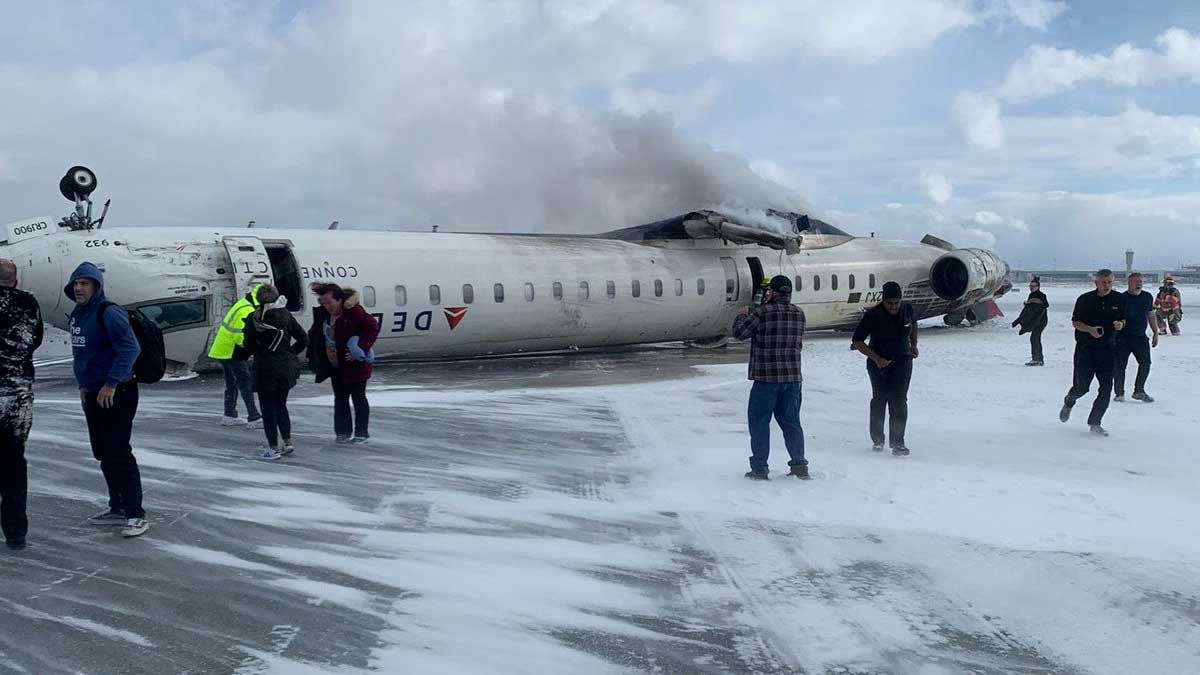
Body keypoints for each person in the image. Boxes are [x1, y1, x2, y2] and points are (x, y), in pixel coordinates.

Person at [66, 262, 148, 537]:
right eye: (76, 284)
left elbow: (130, 348)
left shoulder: (109, 312)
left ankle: (136, 513)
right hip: (92, 391)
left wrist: (111, 384)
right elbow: (83, 356)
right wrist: (84, 386)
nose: (78, 288)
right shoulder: (78, 314)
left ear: (96, 286)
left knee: (118, 451)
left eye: (84, 283)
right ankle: (118, 507)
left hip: (117, 392)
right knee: (102, 451)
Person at [732, 275, 809, 480]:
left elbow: (739, 333)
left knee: (759, 422)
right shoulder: (799, 314)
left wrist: (741, 315)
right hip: (792, 379)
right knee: (791, 423)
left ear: (772, 292)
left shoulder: (762, 313)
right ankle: (799, 465)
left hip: (766, 380)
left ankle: (759, 468)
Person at [0, 260, 43, 550]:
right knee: (14, 463)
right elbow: (35, 339)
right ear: (15, 280)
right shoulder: (28, 303)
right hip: (17, 394)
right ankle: (16, 532)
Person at [851, 281, 918, 456]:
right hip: (878, 364)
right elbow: (857, 341)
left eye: (896, 303)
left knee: (899, 401)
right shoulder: (873, 315)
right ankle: (878, 439)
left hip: (902, 361)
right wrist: (877, 359)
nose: (893, 307)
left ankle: (898, 442)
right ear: (883, 301)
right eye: (889, 303)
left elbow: (913, 324)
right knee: (880, 400)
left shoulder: (907, 309)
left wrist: (914, 345)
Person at [307, 283, 380, 443]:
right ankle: (342, 432)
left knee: (358, 397)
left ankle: (361, 433)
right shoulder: (323, 315)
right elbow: (315, 334)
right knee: (340, 398)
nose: (326, 306)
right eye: (323, 302)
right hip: (335, 365)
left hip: (355, 365)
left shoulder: (354, 313)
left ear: (339, 300)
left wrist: (359, 349)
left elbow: (372, 327)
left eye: (329, 302)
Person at [1059, 269, 1126, 436]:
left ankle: (1095, 423)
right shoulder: (1085, 299)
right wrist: (1089, 329)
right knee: (1082, 387)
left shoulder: (1120, 299)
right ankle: (1070, 400)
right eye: (1103, 282)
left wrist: (1120, 324)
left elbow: (1123, 319)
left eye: (1110, 282)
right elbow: (1075, 322)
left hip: (1109, 350)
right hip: (1085, 350)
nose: (1107, 285)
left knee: (1106, 388)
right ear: (1096, 282)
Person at [243, 286, 308, 460]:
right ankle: (287, 442)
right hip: (286, 367)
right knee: (281, 405)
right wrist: (290, 353)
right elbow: (303, 339)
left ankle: (273, 447)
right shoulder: (286, 316)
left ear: (259, 299)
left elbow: (247, 345)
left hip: (265, 368)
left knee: (268, 408)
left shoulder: (254, 318)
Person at [208, 285, 264, 429]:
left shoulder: (243, 303)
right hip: (233, 351)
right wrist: (253, 348)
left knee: (231, 383)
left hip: (223, 349)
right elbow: (240, 336)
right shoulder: (247, 311)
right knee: (245, 382)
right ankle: (254, 416)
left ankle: (229, 414)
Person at [1113, 272, 1157, 403]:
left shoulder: (1147, 297)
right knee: (1120, 366)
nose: (1138, 284)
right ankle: (1119, 393)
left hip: (1140, 337)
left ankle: (1139, 390)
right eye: (1135, 281)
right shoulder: (1121, 298)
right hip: (1122, 338)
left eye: (1140, 282)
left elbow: (1151, 315)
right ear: (1129, 283)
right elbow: (1115, 318)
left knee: (1145, 363)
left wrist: (1155, 332)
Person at [1011, 276, 1049, 365]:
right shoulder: (1032, 295)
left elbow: (1038, 309)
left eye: (1033, 286)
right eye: (1030, 286)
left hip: (1040, 321)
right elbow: (1030, 309)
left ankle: (1038, 359)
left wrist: (1021, 319)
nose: (1031, 288)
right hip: (1037, 320)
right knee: (1034, 339)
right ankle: (1037, 359)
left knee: (1035, 338)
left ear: (1038, 287)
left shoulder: (1041, 296)